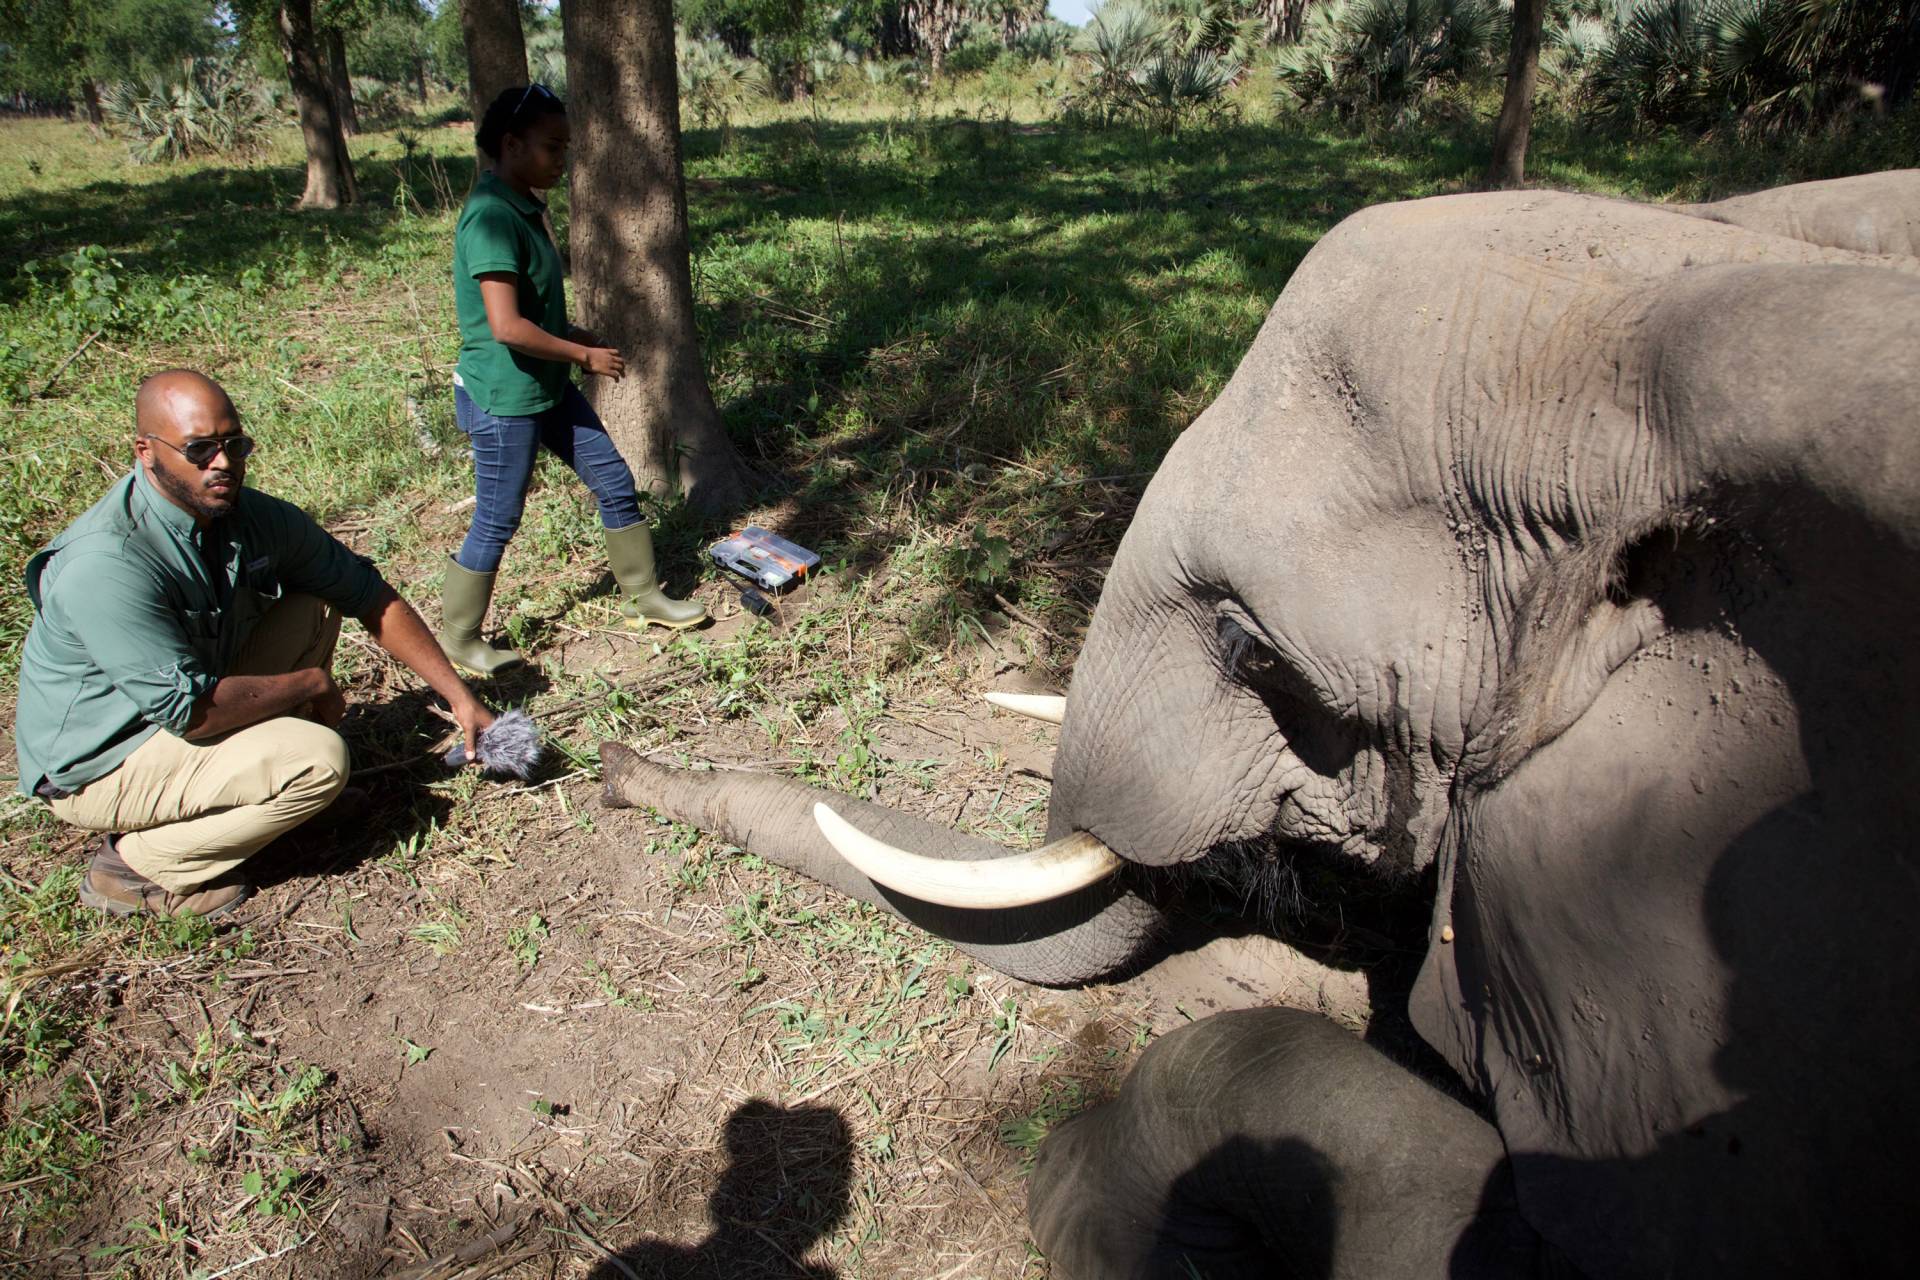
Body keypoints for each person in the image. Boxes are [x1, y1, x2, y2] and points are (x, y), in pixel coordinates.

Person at [14, 370, 496, 920]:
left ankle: (273, 794)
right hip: (103, 757)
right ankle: (133, 868)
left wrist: (459, 696)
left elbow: (367, 595)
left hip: (186, 700)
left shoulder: (244, 514)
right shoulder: (106, 564)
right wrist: (311, 683)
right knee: (318, 761)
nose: (222, 463)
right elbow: (192, 712)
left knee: (314, 605)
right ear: (146, 452)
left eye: (234, 445)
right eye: (199, 449)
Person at [440, 82, 706, 676]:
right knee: (498, 517)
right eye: (552, 147)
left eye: (566, 147)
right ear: (511, 144)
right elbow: (505, 326)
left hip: (544, 386)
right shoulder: (490, 217)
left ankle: (643, 596)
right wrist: (581, 355)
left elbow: (529, 309)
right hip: (504, 395)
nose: (562, 159)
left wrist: (571, 333)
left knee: (614, 481)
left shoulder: (521, 205)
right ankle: (459, 638)